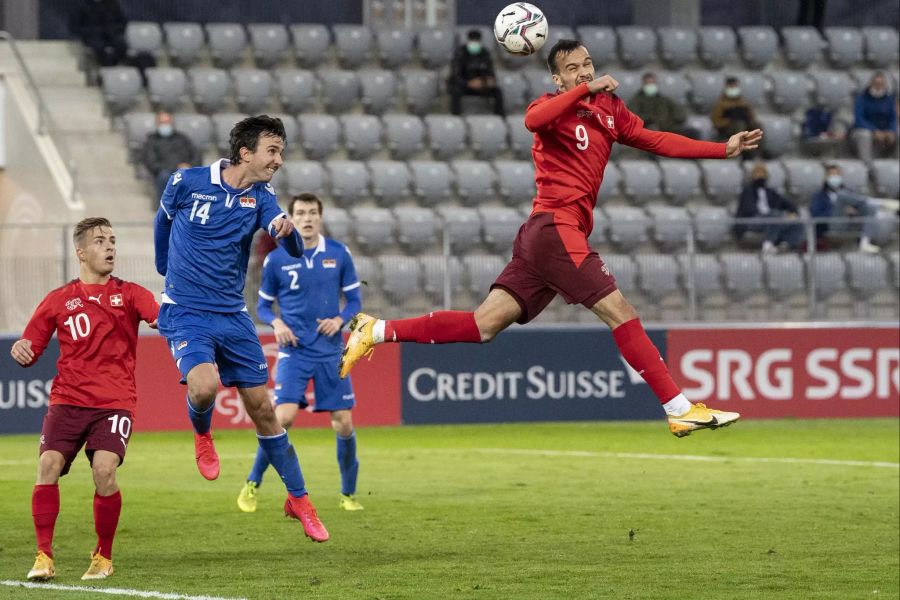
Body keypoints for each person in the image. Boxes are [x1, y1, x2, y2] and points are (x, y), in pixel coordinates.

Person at [340, 39, 763, 438]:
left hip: (544, 237)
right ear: (557, 80)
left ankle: (376, 330)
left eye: (587, 64)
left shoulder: (611, 109)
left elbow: (655, 140)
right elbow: (532, 120)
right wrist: (584, 91)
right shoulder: (551, 106)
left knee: (484, 325)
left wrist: (720, 149)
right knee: (620, 310)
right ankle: (677, 408)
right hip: (556, 228)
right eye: (572, 69)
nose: (583, 73)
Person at [153, 115, 329, 542]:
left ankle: (300, 501)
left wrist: (286, 232)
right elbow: (162, 222)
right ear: (245, 153)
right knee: (203, 386)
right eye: (273, 151)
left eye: (281, 151)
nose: (279, 160)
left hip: (233, 316)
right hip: (187, 311)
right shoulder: (186, 182)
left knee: (264, 411)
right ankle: (202, 434)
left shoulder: (263, 197)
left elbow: (287, 242)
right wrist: (163, 267)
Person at [10, 217, 159, 581]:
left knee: (104, 470)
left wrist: (177, 317)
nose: (109, 247)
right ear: (81, 252)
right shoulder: (58, 300)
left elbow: (163, 317)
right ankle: (43, 555)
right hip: (68, 401)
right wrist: (21, 349)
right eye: (99, 241)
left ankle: (103, 556)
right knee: (48, 465)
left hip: (114, 402)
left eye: (112, 240)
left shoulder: (131, 294)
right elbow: (30, 345)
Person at [238, 192, 364, 514]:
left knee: (343, 422)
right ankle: (252, 483)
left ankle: (348, 494)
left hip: (330, 350)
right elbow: (263, 306)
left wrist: (339, 319)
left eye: (312, 213)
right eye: (300, 213)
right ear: (291, 220)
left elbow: (354, 303)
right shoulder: (278, 258)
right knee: (283, 418)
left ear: (320, 218)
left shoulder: (338, 254)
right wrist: (277, 323)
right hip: (294, 349)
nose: (306, 218)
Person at [809, 163, 881, 253]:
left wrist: (853, 212)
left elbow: (858, 208)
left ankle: (865, 242)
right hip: (830, 225)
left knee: (871, 208)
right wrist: (839, 209)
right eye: (832, 175)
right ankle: (879, 202)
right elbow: (816, 215)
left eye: (837, 175)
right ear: (826, 177)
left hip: (849, 223)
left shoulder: (849, 192)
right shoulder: (819, 196)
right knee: (842, 196)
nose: (835, 177)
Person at [734, 164, 805, 253]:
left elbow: (788, 204)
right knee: (775, 214)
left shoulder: (771, 192)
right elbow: (748, 209)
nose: (760, 175)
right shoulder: (747, 191)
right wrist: (771, 214)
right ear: (752, 175)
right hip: (752, 220)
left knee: (796, 222)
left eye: (762, 173)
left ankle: (785, 245)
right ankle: (768, 244)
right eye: (757, 173)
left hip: (773, 219)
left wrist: (793, 213)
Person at [141, 112, 200, 200]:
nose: (165, 125)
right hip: (165, 172)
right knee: (165, 177)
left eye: (167, 122)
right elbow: (151, 162)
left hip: (187, 170)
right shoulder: (151, 140)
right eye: (162, 123)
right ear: (157, 124)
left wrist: (190, 166)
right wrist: (176, 168)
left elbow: (196, 155)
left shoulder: (182, 138)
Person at [448, 29, 505, 116]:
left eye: (476, 41)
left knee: (498, 92)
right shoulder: (460, 53)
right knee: (456, 91)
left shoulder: (485, 53)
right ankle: (456, 116)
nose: (474, 43)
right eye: (472, 40)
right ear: (468, 40)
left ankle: (499, 116)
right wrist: (468, 83)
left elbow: (491, 73)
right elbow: (455, 76)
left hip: (481, 84)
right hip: (464, 85)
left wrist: (489, 81)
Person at [628, 72, 698, 138]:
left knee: (692, 132)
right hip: (645, 130)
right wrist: (650, 120)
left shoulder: (663, 100)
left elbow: (680, 114)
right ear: (643, 84)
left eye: (652, 83)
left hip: (665, 129)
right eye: (648, 83)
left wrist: (671, 122)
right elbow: (632, 117)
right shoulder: (636, 100)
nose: (650, 85)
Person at [849, 72, 898, 164]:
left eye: (881, 84)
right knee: (864, 134)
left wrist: (891, 130)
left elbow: (893, 118)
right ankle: (866, 165)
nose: (878, 87)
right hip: (863, 131)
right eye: (876, 84)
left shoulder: (889, 100)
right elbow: (859, 120)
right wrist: (874, 130)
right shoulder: (861, 98)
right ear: (871, 84)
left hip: (884, 131)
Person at [69, 0, 127, 68]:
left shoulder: (112, 3)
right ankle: (106, 66)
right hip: (93, 36)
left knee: (122, 45)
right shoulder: (82, 5)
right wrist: (90, 32)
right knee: (99, 46)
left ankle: (113, 65)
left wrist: (114, 29)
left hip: (111, 34)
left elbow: (123, 22)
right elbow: (74, 27)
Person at [711, 76, 760, 142]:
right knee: (739, 124)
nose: (733, 88)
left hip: (745, 127)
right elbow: (716, 122)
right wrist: (730, 120)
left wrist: (748, 119)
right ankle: (738, 148)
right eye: (731, 86)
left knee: (757, 127)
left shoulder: (744, 103)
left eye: (735, 86)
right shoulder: (721, 104)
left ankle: (755, 149)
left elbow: (752, 118)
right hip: (727, 130)